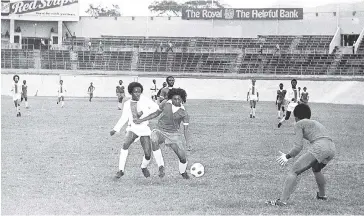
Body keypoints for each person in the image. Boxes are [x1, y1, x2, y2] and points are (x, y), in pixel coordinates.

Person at [266, 104, 336, 206]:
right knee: (316, 169)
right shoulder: (316, 122)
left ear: (296, 117)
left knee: (294, 171)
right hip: (332, 148)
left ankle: (282, 201)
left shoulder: (299, 124)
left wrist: (287, 156)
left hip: (320, 148)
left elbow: (298, 147)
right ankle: (322, 195)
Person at [134, 88, 191, 179]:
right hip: (160, 130)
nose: (176, 101)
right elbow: (155, 114)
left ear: (182, 100)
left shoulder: (184, 113)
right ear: (171, 98)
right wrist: (141, 120)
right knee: (154, 138)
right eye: (174, 98)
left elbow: (186, 130)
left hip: (173, 134)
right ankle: (161, 166)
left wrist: (188, 143)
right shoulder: (165, 103)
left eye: (178, 99)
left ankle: (183, 172)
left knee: (182, 158)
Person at [110, 82, 161, 178]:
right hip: (132, 128)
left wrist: (145, 111)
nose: (138, 94)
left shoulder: (145, 100)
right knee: (125, 144)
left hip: (144, 129)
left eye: (139, 92)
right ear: (131, 92)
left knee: (148, 154)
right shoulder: (127, 104)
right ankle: (121, 170)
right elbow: (124, 118)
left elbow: (156, 108)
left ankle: (143, 167)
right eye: (135, 92)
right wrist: (115, 129)